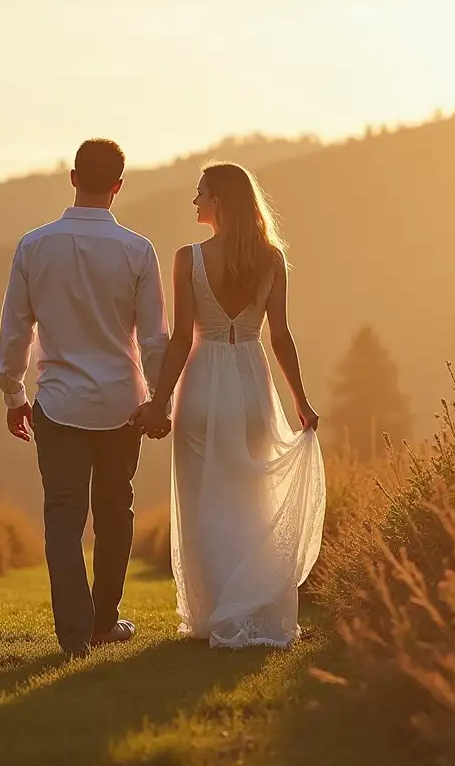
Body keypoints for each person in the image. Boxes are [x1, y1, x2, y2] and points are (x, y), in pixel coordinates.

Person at [131, 163, 326, 648]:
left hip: (201, 385)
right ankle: (249, 608)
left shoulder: (188, 258)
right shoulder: (272, 259)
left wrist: (158, 402)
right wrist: (301, 401)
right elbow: (280, 336)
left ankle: (216, 611)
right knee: (250, 499)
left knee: (203, 502)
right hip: (251, 386)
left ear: (218, 200)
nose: (195, 201)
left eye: (201, 193)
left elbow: (181, 339)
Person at [0, 139, 170, 661]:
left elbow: (16, 330)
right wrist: (159, 400)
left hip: (58, 404)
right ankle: (104, 622)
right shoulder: (138, 250)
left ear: (72, 177)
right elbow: (154, 339)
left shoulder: (33, 246)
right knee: (116, 514)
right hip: (122, 405)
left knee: (63, 518)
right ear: (119, 186)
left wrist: (13, 392)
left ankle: (73, 635)